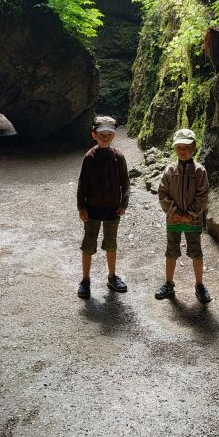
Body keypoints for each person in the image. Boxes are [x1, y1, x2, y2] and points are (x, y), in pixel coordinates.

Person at [155, 127, 212, 304]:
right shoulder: (170, 170)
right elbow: (162, 193)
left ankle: (199, 285)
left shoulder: (199, 171)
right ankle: (168, 284)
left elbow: (203, 196)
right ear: (174, 148)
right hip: (173, 220)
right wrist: (174, 212)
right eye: (179, 147)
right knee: (171, 250)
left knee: (196, 251)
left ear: (193, 148)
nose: (182, 150)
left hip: (193, 220)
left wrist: (190, 214)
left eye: (186, 147)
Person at [76, 115, 130, 299]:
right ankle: (85, 280)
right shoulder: (89, 157)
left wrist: (124, 204)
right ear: (94, 135)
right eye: (102, 135)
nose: (105, 138)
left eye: (109, 135)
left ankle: (112, 277)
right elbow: (82, 184)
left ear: (114, 135)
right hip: (92, 208)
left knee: (111, 243)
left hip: (112, 209)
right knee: (88, 244)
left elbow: (126, 183)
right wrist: (81, 208)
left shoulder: (118, 157)